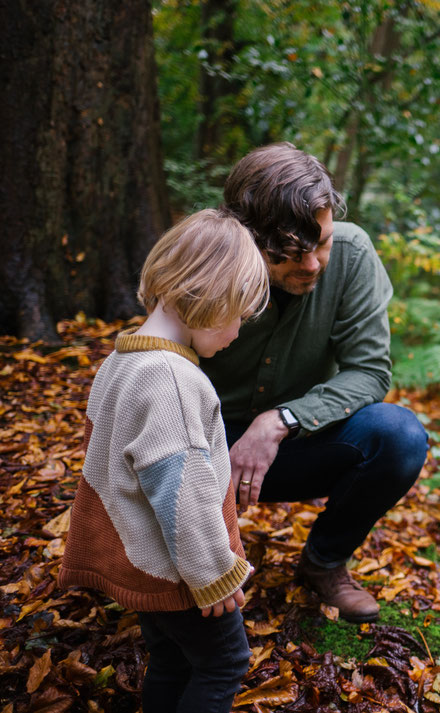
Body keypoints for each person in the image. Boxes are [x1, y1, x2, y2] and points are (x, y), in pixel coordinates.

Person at [200, 142, 428, 623]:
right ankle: (185, 559)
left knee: (400, 436)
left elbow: (369, 371)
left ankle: (324, 564)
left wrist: (281, 420)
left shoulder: (351, 253)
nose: (312, 266)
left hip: (297, 447)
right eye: (289, 253)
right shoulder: (204, 260)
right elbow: (160, 366)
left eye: (320, 243)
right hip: (202, 446)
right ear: (246, 237)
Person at [58, 209, 270, 713]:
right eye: (237, 313)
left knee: (172, 661)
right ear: (207, 295)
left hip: (145, 562)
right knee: (223, 664)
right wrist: (214, 574)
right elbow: (182, 494)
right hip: (182, 573)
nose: (239, 330)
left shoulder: (122, 361)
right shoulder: (172, 379)